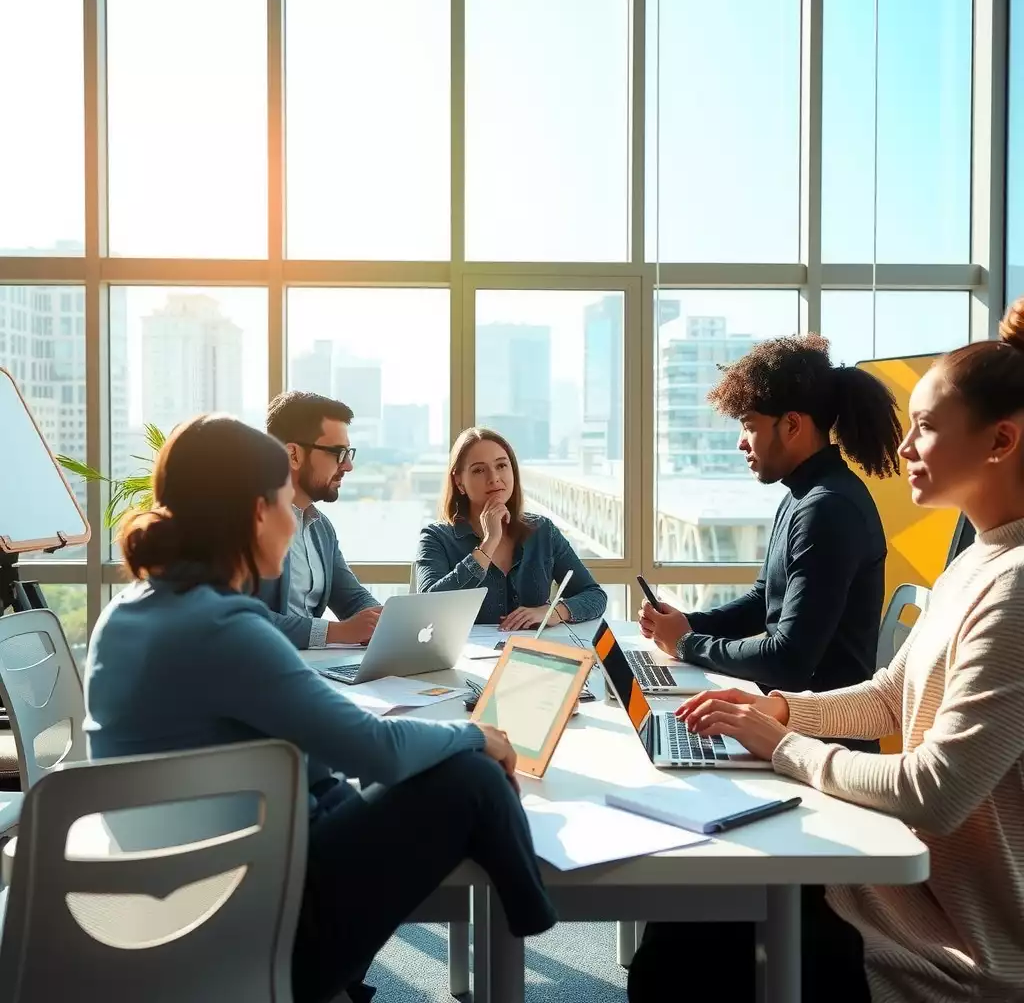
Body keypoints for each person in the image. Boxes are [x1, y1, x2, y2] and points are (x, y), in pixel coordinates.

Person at [84, 414, 557, 1003]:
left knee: (369, 780)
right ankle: (538, 914)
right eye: (286, 503)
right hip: (248, 918)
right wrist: (476, 735)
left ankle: (507, 908)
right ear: (258, 512)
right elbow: (376, 753)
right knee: (469, 773)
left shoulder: (131, 611)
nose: (294, 520)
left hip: (178, 893)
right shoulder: (224, 629)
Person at [629, 301, 1024, 1002]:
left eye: (926, 428)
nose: (904, 449)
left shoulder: (1015, 586)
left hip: (949, 934)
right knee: (680, 925)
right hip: (900, 877)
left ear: (1000, 441)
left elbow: (935, 792)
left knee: (679, 958)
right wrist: (777, 709)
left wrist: (780, 742)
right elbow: (886, 696)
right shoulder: (972, 561)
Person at [639, 334, 902, 700]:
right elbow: (764, 600)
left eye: (749, 425)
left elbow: (788, 661)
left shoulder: (827, 508)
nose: (741, 442)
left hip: (817, 736)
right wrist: (684, 625)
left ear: (792, 425)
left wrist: (685, 644)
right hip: (787, 717)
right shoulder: (804, 496)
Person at [416, 427, 607, 630]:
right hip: (464, 659)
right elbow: (428, 610)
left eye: (501, 466)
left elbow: (594, 595)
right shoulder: (435, 537)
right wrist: (488, 544)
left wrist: (555, 612)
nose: (494, 478)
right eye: (479, 470)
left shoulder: (542, 531)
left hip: (531, 656)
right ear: (459, 481)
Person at [258, 390, 382, 650]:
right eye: (338, 453)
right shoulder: (248, 521)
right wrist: (336, 632)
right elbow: (244, 618)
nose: (347, 466)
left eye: (349, 453)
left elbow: (350, 597)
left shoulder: (320, 527)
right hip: (263, 669)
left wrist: (387, 622)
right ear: (293, 455)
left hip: (310, 666)